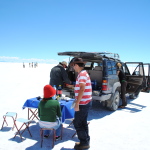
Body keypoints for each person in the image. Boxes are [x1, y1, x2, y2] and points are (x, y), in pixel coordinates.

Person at [71, 58, 92, 150]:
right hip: (86, 102)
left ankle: (84, 143)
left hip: (83, 103)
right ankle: (85, 141)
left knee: (78, 123)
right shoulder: (83, 73)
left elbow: (82, 89)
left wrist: (77, 103)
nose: (73, 67)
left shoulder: (82, 74)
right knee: (83, 123)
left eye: (73, 65)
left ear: (76, 65)